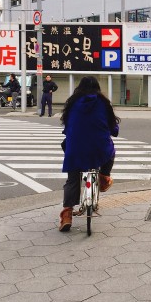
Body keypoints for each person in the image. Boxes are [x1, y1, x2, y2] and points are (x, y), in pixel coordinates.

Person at [59, 76, 120, 232]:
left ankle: (67, 214)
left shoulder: (72, 103)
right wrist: (113, 131)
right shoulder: (104, 103)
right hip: (99, 148)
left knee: (72, 179)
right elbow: (113, 128)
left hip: (76, 149)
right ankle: (104, 177)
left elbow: (67, 126)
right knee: (110, 151)